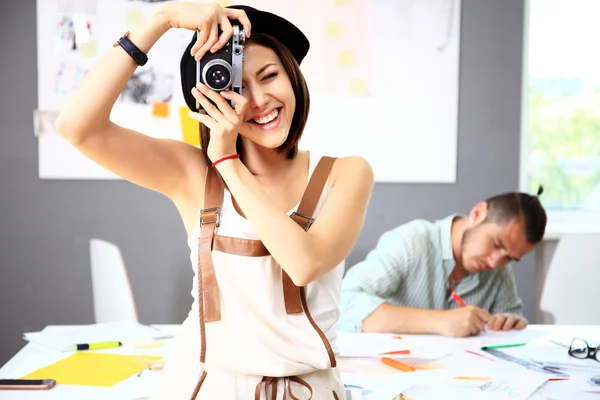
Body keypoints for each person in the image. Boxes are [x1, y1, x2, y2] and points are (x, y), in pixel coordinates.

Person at [55, 2, 373, 399]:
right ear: (209, 101)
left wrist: (228, 162)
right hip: (207, 386)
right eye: (236, 87)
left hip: (311, 389)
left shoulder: (345, 173)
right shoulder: (192, 174)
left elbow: (303, 263)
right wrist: (160, 20)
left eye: (269, 76)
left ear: (293, 77)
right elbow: (76, 127)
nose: (257, 101)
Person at [338, 189, 547, 338]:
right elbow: (346, 302)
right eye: (495, 243)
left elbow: (510, 321)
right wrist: (441, 321)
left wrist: (510, 322)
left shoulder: (500, 270)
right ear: (478, 213)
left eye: (510, 258)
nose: (495, 261)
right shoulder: (411, 241)